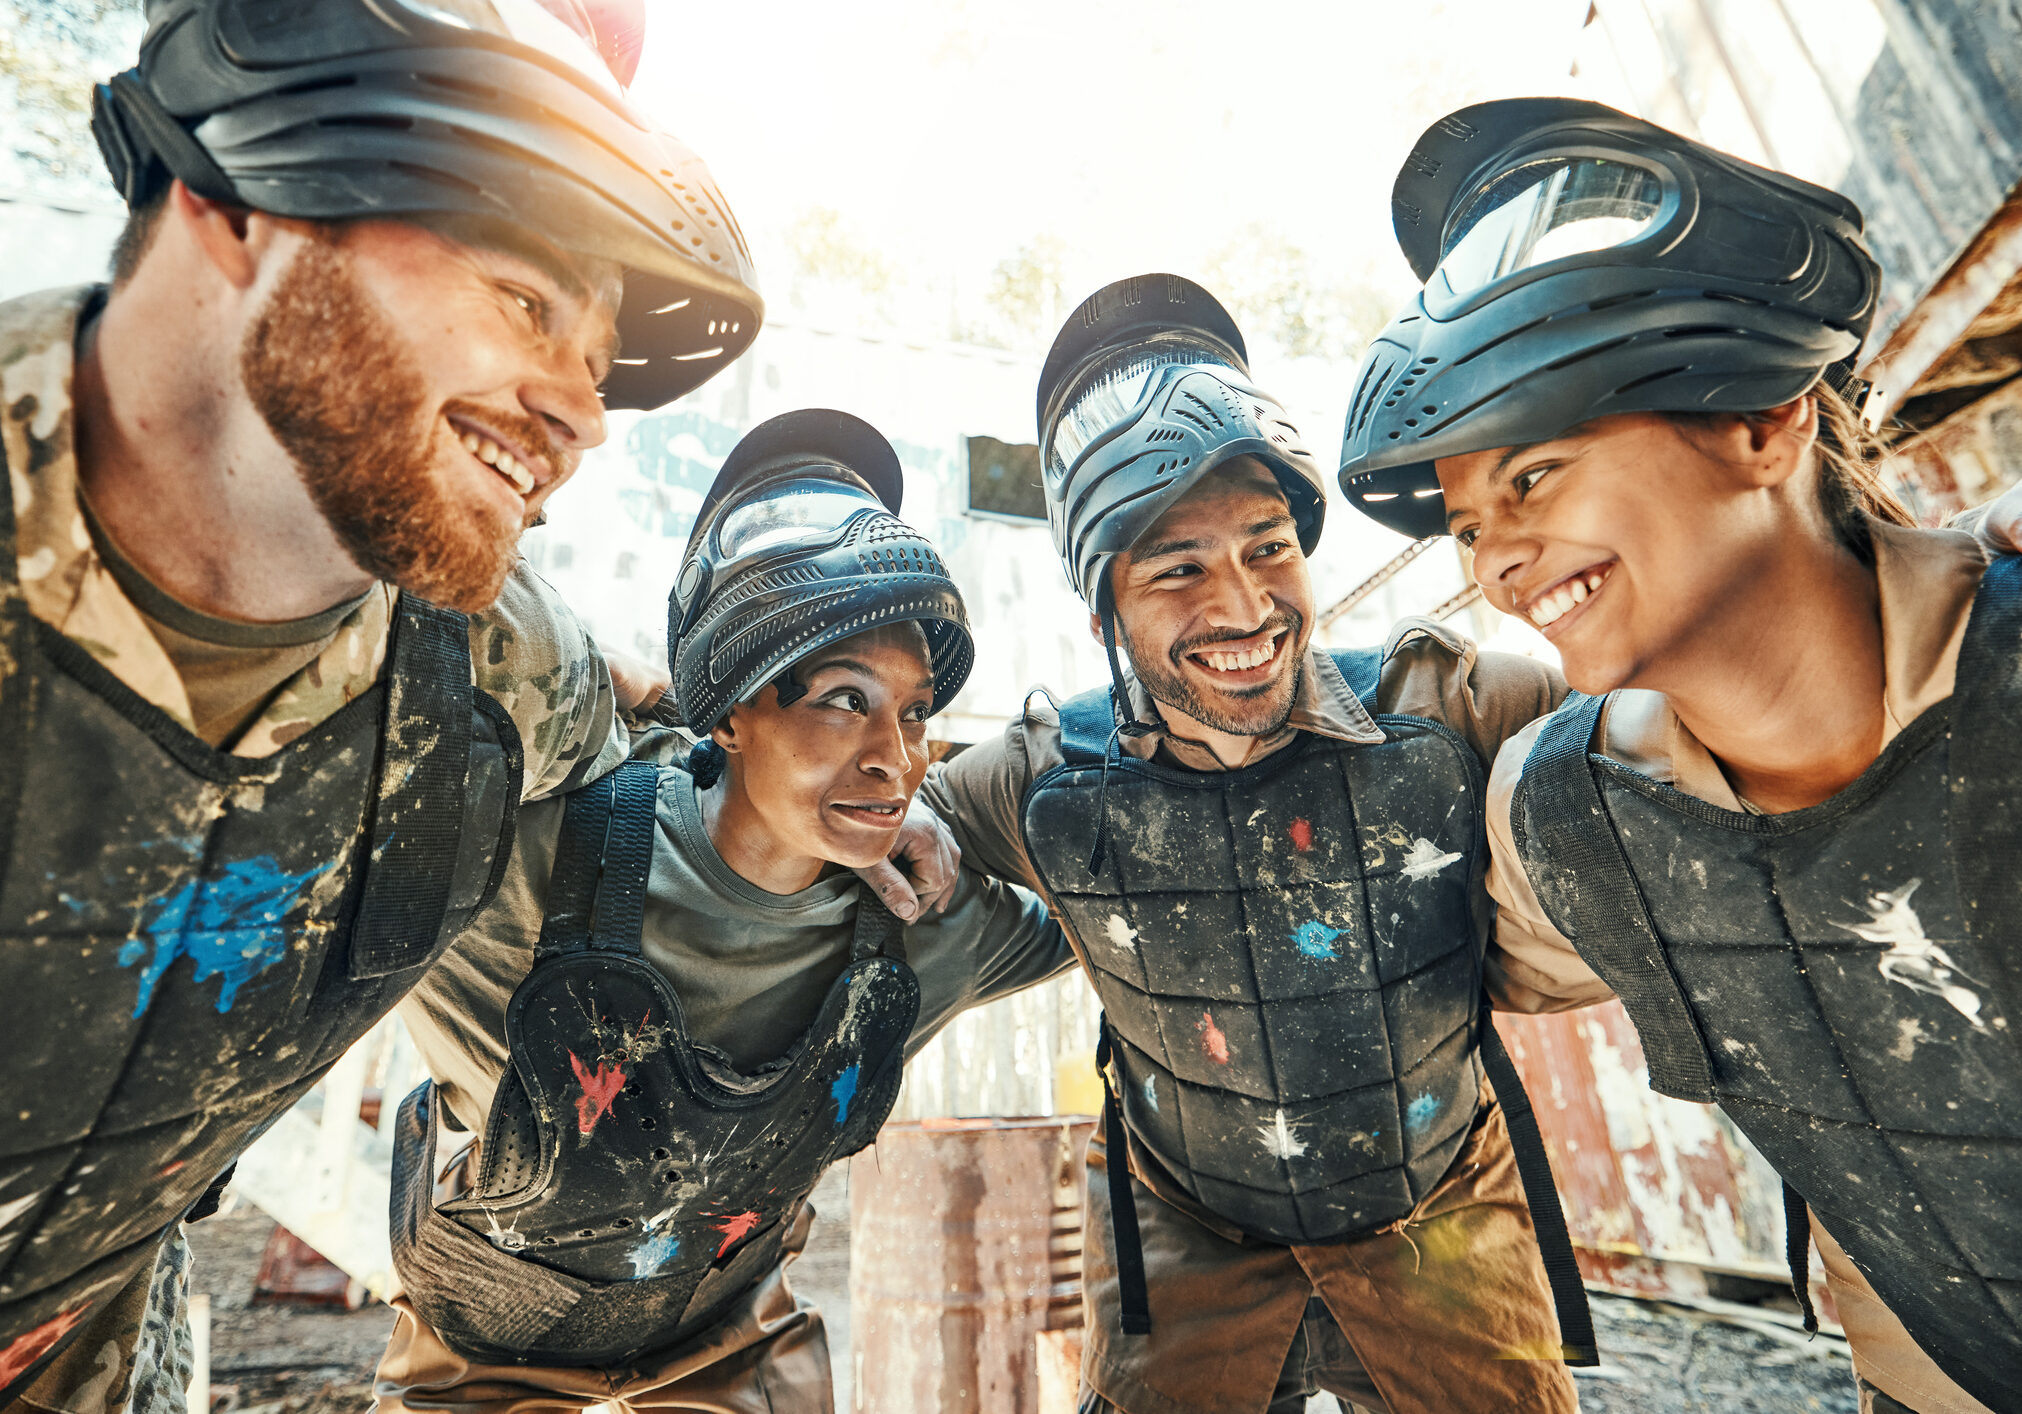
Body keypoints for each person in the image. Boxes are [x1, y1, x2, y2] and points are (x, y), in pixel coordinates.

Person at [0, 2, 761, 1410]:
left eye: (599, 361)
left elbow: (634, 727)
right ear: (237, 194)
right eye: (522, 295)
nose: (583, 415)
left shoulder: (492, 670)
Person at [1339, 97, 2022, 1414]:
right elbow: (1399, 977)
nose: (1497, 561)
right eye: (1470, 525)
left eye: (1533, 476)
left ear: (1763, 420)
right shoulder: (1566, 824)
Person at [913, 275, 1588, 1414]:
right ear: (1103, 614)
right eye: (1177, 568)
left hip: (1445, 1222)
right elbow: (878, 811)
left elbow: (1671, 703)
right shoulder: (1042, 776)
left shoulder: (1452, 704)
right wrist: (911, 836)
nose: (1245, 606)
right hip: (1187, 1244)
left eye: (1269, 547)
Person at [371, 410, 1076, 1414]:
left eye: (914, 711)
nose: (894, 754)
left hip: (725, 1338)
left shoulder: (927, 920)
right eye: (842, 697)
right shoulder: (536, 856)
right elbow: (397, 593)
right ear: (730, 710)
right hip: (486, 1345)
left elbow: (1128, 851)